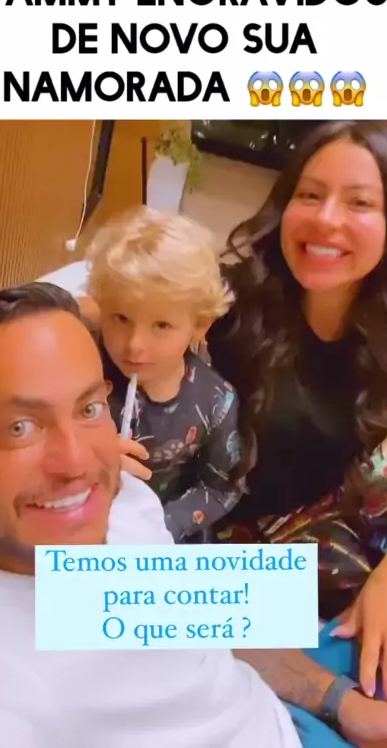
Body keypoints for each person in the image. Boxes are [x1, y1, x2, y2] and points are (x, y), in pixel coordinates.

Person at [0, 284, 387, 747]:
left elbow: (196, 620)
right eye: (20, 428)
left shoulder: (118, 499)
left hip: (291, 707)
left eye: (88, 408)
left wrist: (341, 702)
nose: (76, 462)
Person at [205, 120, 387, 710]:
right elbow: (98, 306)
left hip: (313, 540)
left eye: (360, 203)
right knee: (87, 600)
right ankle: (344, 706)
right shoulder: (221, 299)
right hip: (196, 547)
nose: (326, 219)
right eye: (309, 194)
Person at [83, 205, 244, 543]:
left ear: (200, 325)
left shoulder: (216, 403)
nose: (134, 345)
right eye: (121, 318)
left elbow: (221, 488)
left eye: (162, 325)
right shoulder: (78, 369)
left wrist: (158, 528)